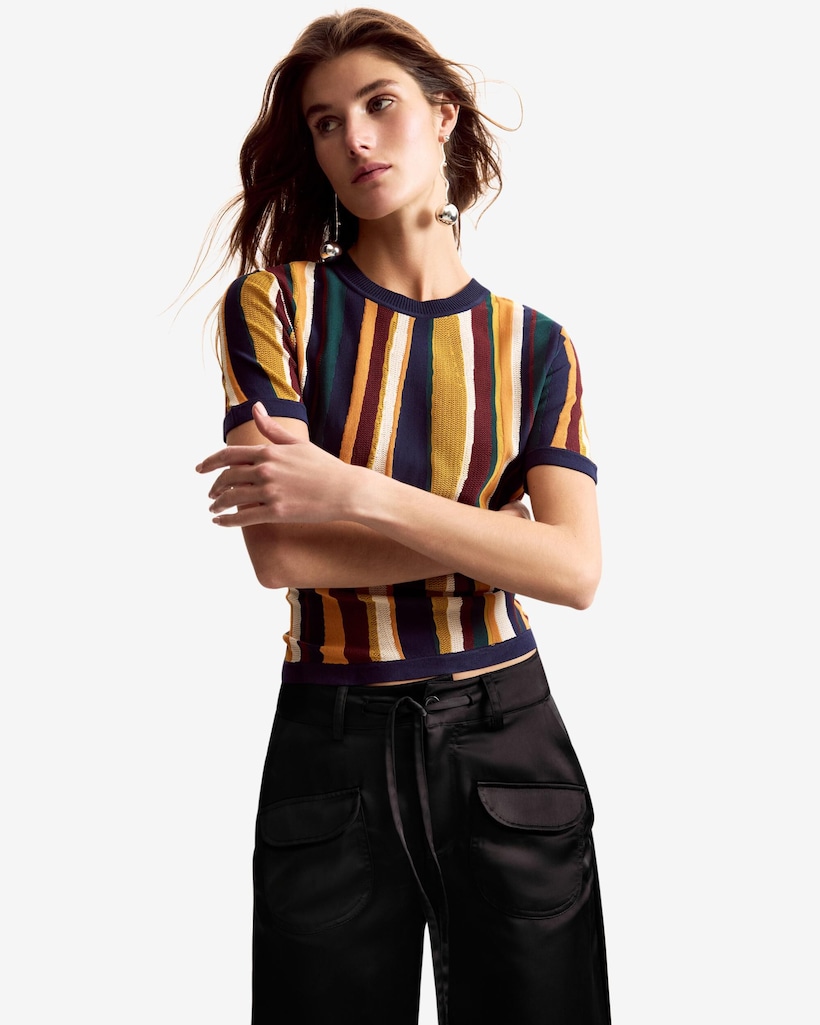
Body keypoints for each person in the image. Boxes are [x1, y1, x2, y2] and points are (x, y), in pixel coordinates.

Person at [195, 9, 610, 1024]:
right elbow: (283, 552)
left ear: (444, 114)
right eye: (326, 123)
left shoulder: (535, 346)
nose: (357, 138)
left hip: (508, 737)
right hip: (332, 741)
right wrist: (494, 534)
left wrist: (352, 490)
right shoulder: (276, 308)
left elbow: (573, 570)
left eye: (379, 105)